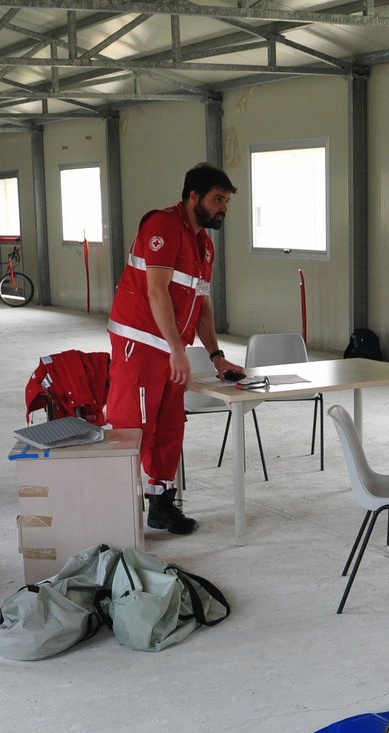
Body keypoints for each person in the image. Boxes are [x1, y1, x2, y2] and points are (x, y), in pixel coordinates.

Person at [105, 163, 244, 535]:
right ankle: (115, 515)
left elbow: (202, 305)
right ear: (193, 196)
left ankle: (161, 505)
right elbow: (156, 290)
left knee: (169, 428)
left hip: (169, 350)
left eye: (227, 201)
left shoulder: (204, 244)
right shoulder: (163, 226)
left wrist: (215, 356)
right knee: (133, 429)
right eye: (218, 199)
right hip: (141, 344)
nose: (223, 209)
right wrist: (176, 349)